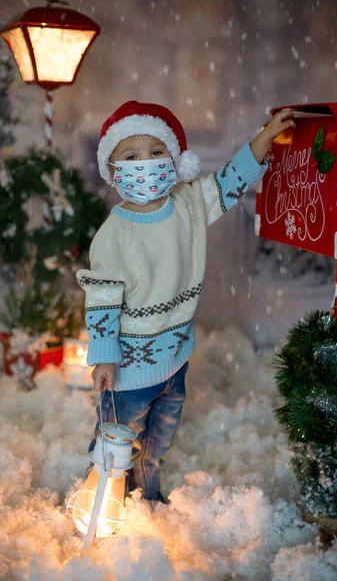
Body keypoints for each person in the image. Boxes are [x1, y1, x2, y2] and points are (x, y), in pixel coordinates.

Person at [77, 101, 295, 504]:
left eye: (156, 152)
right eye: (131, 156)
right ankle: (102, 496)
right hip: (130, 372)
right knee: (118, 439)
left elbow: (229, 182)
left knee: (158, 441)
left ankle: (147, 492)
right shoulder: (114, 235)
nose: (145, 164)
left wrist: (262, 140)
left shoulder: (190, 203)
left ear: (176, 160)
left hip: (176, 360)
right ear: (112, 171)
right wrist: (104, 356)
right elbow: (103, 300)